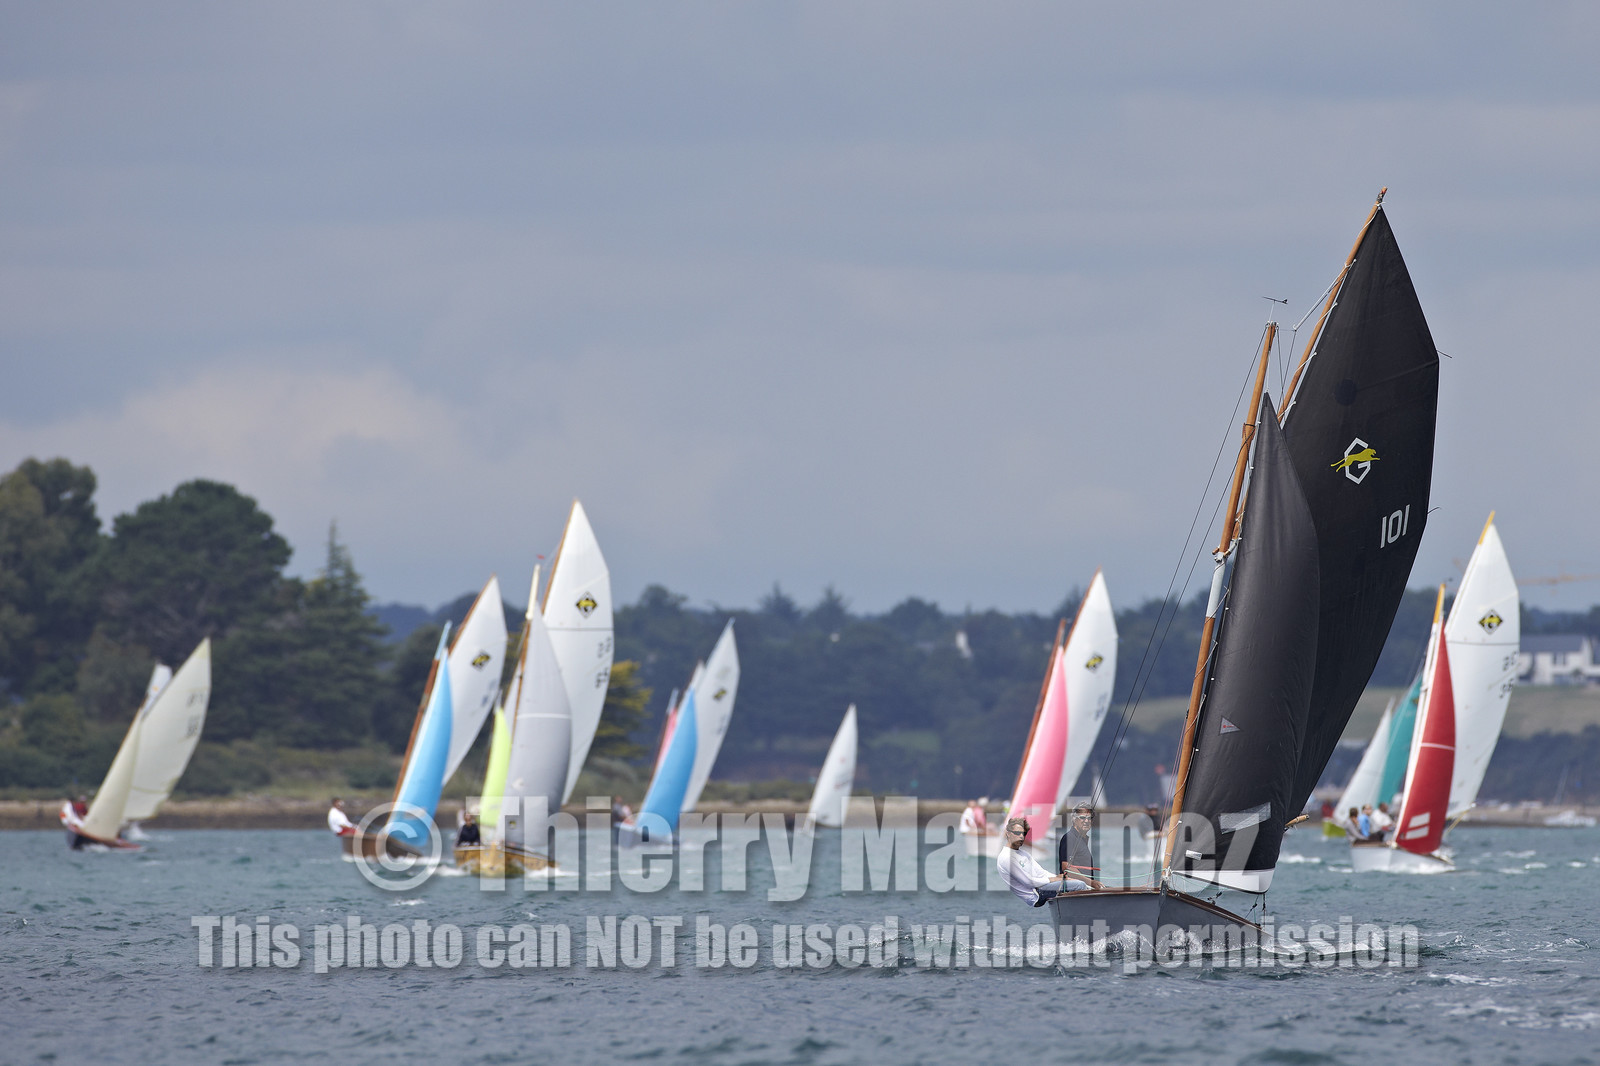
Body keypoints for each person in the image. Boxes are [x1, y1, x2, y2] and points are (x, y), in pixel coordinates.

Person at [997, 817, 1085, 907]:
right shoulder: (1006, 857)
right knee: (1079, 885)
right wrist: (1055, 879)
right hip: (1036, 894)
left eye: (1023, 834)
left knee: (1077, 882)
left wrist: (1060, 878)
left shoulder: (1023, 854)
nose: (1021, 837)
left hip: (1041, 886)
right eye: (1017, 833)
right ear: (1008, 833)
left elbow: (1041, 872)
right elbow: (1029, 882)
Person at [1058, 804, 1104, 889]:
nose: (1086, 821)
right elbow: (1066, 868)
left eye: (1089, 818)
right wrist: (1091, 882)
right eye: (1082, 818)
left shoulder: (1081, 840)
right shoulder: (1070, 838)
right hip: (1074, 891)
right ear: (1074, 819)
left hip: (1085, 889)